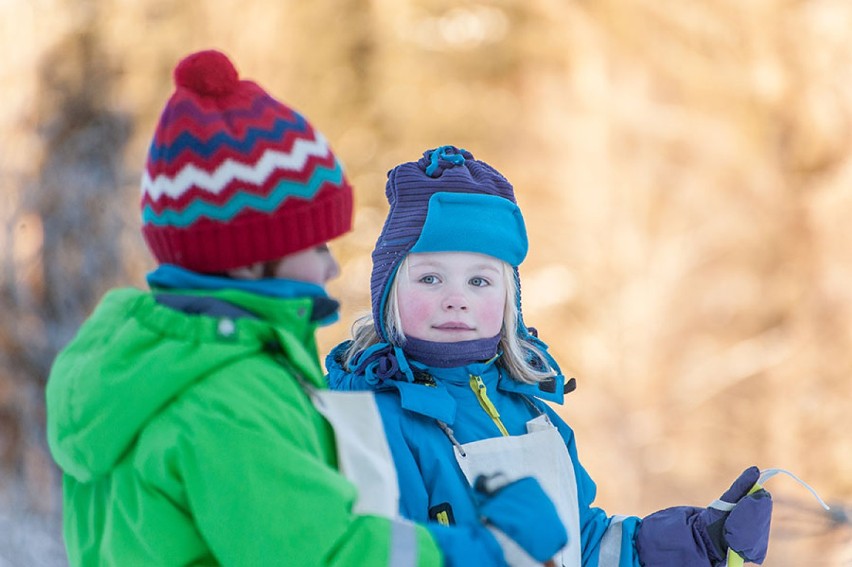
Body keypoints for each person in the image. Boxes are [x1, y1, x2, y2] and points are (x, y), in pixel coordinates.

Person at [45, 52, 568, 566]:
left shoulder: (149, 366)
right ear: (250, 260)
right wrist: (492, 551)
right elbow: (328, 554)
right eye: (315, 247)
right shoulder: (225, 395)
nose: (330, 269)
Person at [326, 145, 775, 566]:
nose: (455, 299)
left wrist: (697, 541)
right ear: (387, 295)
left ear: (509, 302)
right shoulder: (370, 421)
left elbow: (583, 543)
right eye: (429, 279)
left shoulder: (534, 416)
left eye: (479, 281)